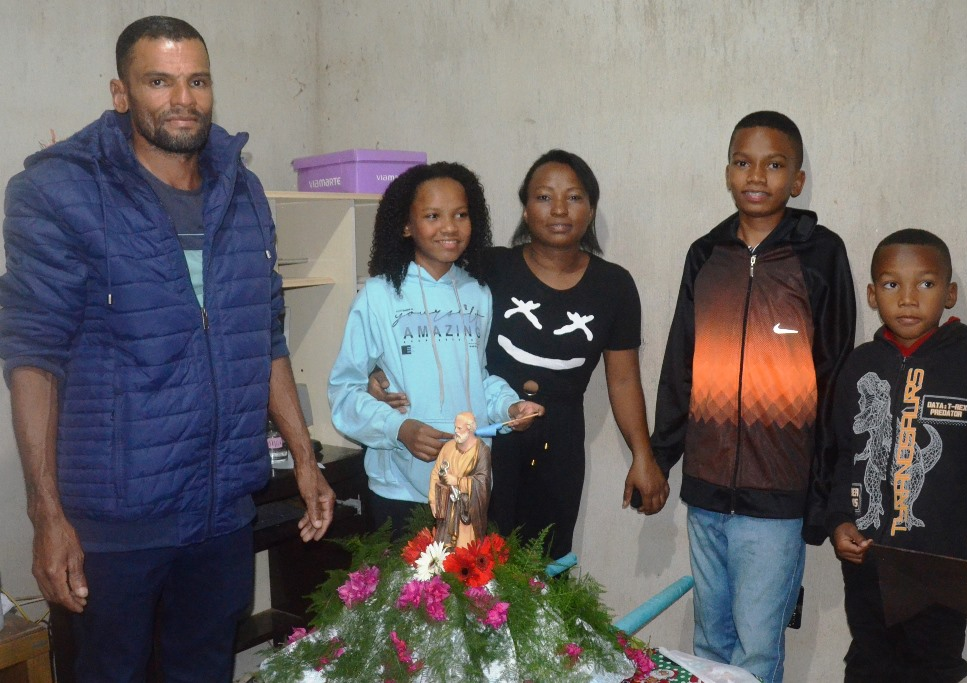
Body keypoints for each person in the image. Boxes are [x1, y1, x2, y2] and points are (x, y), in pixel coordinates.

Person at [0, 16, 335, 683]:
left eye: (197, 81)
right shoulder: (59, 191)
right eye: (160, 81)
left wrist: (304, 458)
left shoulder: (241, 191)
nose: (183, 99)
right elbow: (34, 358)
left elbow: (264, 333)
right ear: (121, 93)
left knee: (204, 669)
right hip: (115, 523)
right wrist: (46, 515)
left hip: (221, 510)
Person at [373, 150, 669, 560]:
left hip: (559, 441)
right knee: (470, 563)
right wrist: (379, 372)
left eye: (574, 197)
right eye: (544, 197)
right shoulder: (488, 267)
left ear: (591, 210)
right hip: (486, 433)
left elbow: (622, 380)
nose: (559, 209)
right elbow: (424, 314)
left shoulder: (614, 285)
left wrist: (643, 455)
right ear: (526, 210)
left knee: (544, 564)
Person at [650, 111, 857, 683]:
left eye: (774, 164)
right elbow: (679, 363)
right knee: (709, 643)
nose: (757, 176)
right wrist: (659, 456)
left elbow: (836, 375)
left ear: (797, 179)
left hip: (779, 496)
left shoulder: (821, 255)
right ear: (728, 172)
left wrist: (825, 490)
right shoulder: (705, 254)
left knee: (758, 650)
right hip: (706, 487)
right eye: (743, 162)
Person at [827, 229, 967, 682]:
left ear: (949, 294)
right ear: (872, 295)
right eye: (892, 284)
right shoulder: (858, 366)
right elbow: (840, 457)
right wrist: (838, 520)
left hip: (942, 566)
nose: (908, 298)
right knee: (867, 666)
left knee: (932, 670)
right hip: (868, 563)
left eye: (926, 284)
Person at [327, 162, 542, 537]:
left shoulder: (478, 293)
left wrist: (510, 407)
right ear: (406, 226)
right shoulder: (378, 295)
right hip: (399, 490)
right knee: (406, 577)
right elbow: (344, 392)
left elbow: (477, 379)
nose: (449, 227)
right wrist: (399, 429)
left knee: (469, 576)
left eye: (461, 214)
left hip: (469, 482)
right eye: (432, 216)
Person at [429, 411, 491, 548]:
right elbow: (436, 473)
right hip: (446, 509)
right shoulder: (448, 447)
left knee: (463, 550)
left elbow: (483, 483)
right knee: (443, 549)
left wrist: (457, 481)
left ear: (469, 429)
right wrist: (433, 500)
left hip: (467, 512)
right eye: (455, 427)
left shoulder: (481, 451)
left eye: (459, 428)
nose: (456, 431)